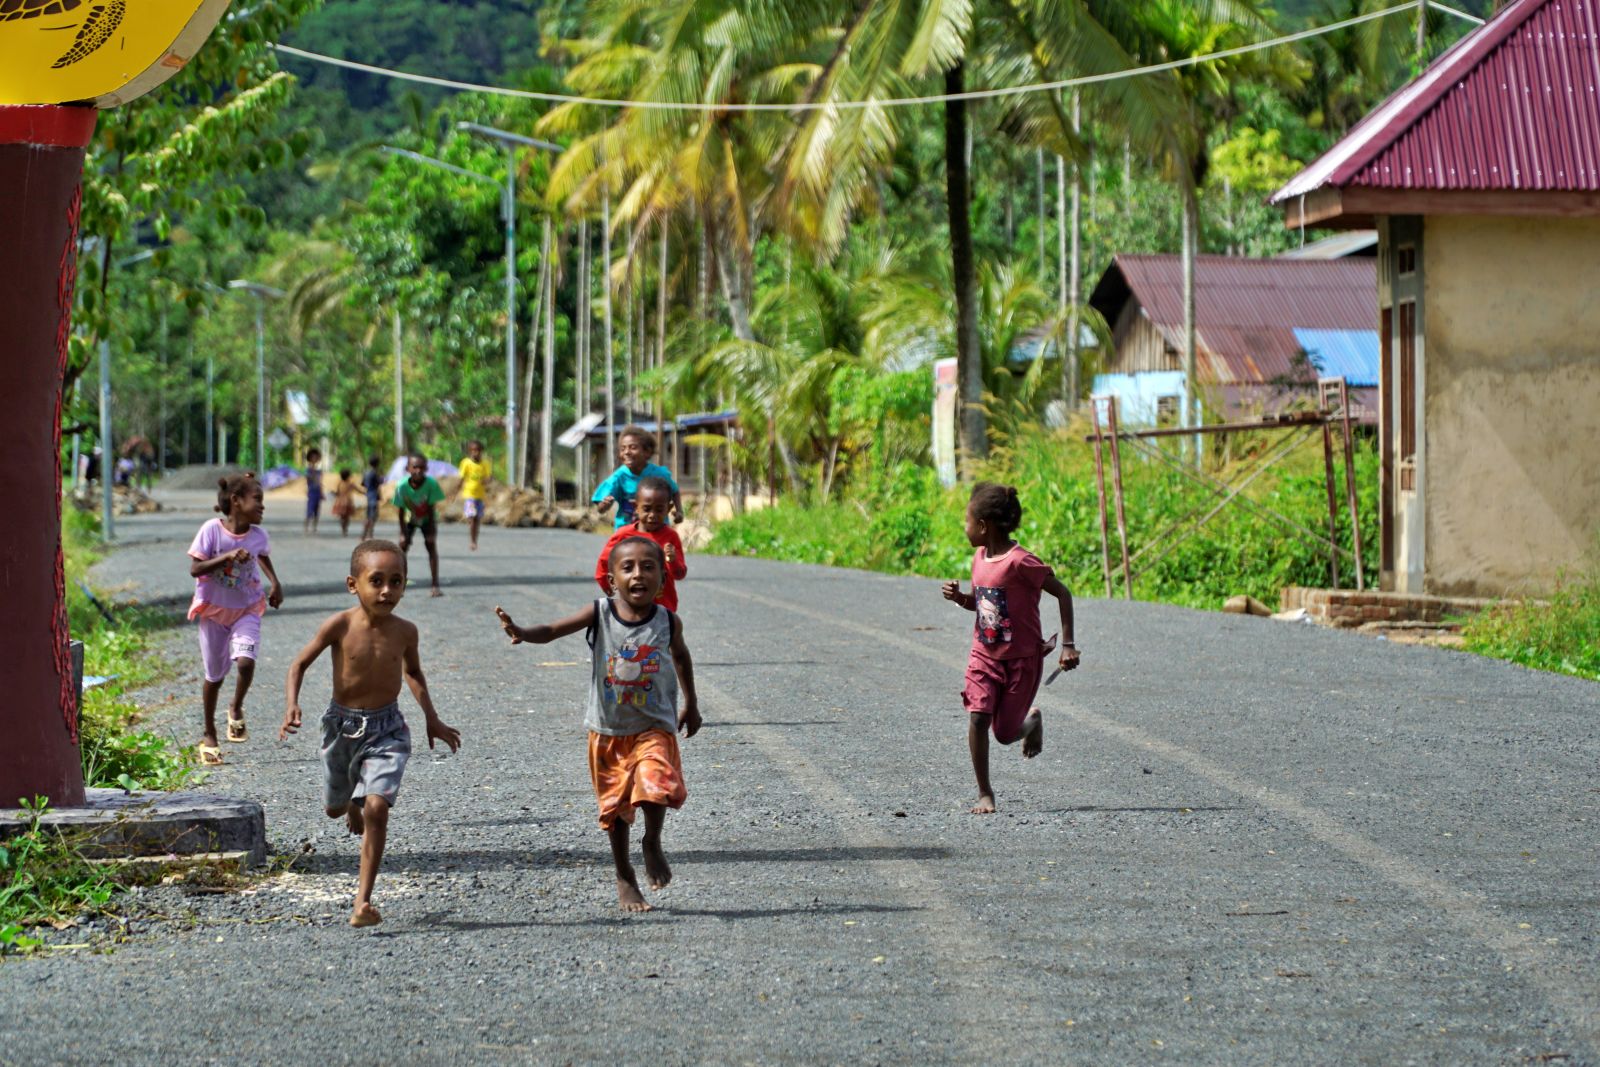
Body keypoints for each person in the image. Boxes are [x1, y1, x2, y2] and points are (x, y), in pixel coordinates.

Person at [495, 537, 702, 912]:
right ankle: (624, 874)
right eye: (628, 568)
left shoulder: (669, 621)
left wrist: (692, 703)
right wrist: (524, 632)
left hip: (654, 724)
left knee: (655, 782)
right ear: (611, 581)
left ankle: (652, 840)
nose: (638, 574)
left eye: (648, 567)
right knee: (616, 808)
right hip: (607, 731)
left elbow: (682, 657)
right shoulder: (601, 613)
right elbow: (553, 629)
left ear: (663, 578)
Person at [280, 539, 460, 928]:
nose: (386, 591)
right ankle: (349, 802)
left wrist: (432, 717)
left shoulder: (406, 631)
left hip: (387, 728)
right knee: (332, 808)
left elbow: (412, 673)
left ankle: (362, 901)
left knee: (378, 808)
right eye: (376, 581)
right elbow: (298, 663)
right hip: (341, 726)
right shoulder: (339, 625)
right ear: (352, 584)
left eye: (397, 582)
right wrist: (292, 704)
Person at [941, 482, 1079, 815]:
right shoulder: (979, 558)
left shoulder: (1021, 562)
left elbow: (1062, 593)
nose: (965, 528)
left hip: (1022, 661)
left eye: (967, 521)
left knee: (1003, 734)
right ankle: (985, 793)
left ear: (984, 526)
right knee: (977, 717)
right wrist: (962, 599)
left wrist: (1069, 644)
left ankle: (1031, 722)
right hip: (984, 655)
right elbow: (987, 605)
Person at [186, 472, 283, 765]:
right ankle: (209, 732)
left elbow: (262, 555)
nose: (262, 506)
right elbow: (195, 568)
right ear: (236, 501)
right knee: (214, 677)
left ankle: (236, 707)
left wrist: (275, 582)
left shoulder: (258, 535)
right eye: (258, 500)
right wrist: (227, 557)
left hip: (247, 607)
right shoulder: (211, 531)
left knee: (245, 661)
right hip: (214, 611)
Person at [593, 477, 688, 612]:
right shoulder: (623, 535)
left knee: (669, 632)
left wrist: (673, 561)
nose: (652, 515)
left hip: (663, 606)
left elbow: (680, 574)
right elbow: (605, 560)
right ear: (635, 507)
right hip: (631, 604)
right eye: (647, 509)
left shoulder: (671, 537)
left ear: (669, 508)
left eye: (659, 509)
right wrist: (605, 583)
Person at [592, 426, 683, 529]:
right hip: (627, 531)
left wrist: (679, 511)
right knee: (612, 546)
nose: (626, 452)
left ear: (647, 452)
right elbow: (600, 507)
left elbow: (675, 491)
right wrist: (604, 506)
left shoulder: (659, 474)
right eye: (623, 449)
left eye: (633, 447)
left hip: (657, 530)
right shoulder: (619, 477)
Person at [393, 452, 444, 597]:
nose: (418, 471)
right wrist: (403, 533)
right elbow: (401, 512)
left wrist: (432, 532)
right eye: (415, 467)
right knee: (402, 547)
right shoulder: (401, 486)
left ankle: (435, 584)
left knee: (430, 545)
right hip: (409, 519)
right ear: (408, 468)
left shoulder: (431, 484)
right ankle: (399, 583)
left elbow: (431, 508)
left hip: (427, 519)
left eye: (422, 467)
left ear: (426, 468)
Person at [454, 440, 492, 552]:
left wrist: (487, 482)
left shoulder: (485, 464)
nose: (475, 453)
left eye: (478, 451)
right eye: (473, 451)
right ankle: (472, 538)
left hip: (480, 495)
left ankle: (474, 540)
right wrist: (456, 491)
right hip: (469, 494)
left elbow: (488, 478)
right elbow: (461, 478)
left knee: (477, 520)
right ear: (470, 451)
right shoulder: (466, 463)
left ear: (481, 452)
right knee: (471, 516)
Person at [360, 455, 384, 541]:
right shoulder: (375, 473)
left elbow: (362, 484)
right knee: (372, 517)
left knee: (368, 516)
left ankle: (364, 535)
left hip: (368, 495)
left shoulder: (366, 472)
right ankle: (369, 534)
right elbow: (380, 482)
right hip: (374, 496)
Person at [332, 469, 359, 538]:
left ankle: (343, 528)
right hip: (348, 502)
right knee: (347, 517)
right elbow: (357, 489)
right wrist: (365, 493)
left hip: (340, 502)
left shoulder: (340, 483)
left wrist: (333, 493)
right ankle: (345, 528)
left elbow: (337, 492)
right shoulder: (350, 484)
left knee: (342, 517)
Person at [304, 448, 324, 535]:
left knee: (317, 511)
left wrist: (322, 492)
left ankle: (314, 527)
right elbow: (308, 480)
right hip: (311, 491)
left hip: (318, 492)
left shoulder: (319, 471)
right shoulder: (308, 470)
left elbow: (320, 482)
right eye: (313, 457)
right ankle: (306, 527)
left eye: (316, 457)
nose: (314, 459)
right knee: (309, 510)